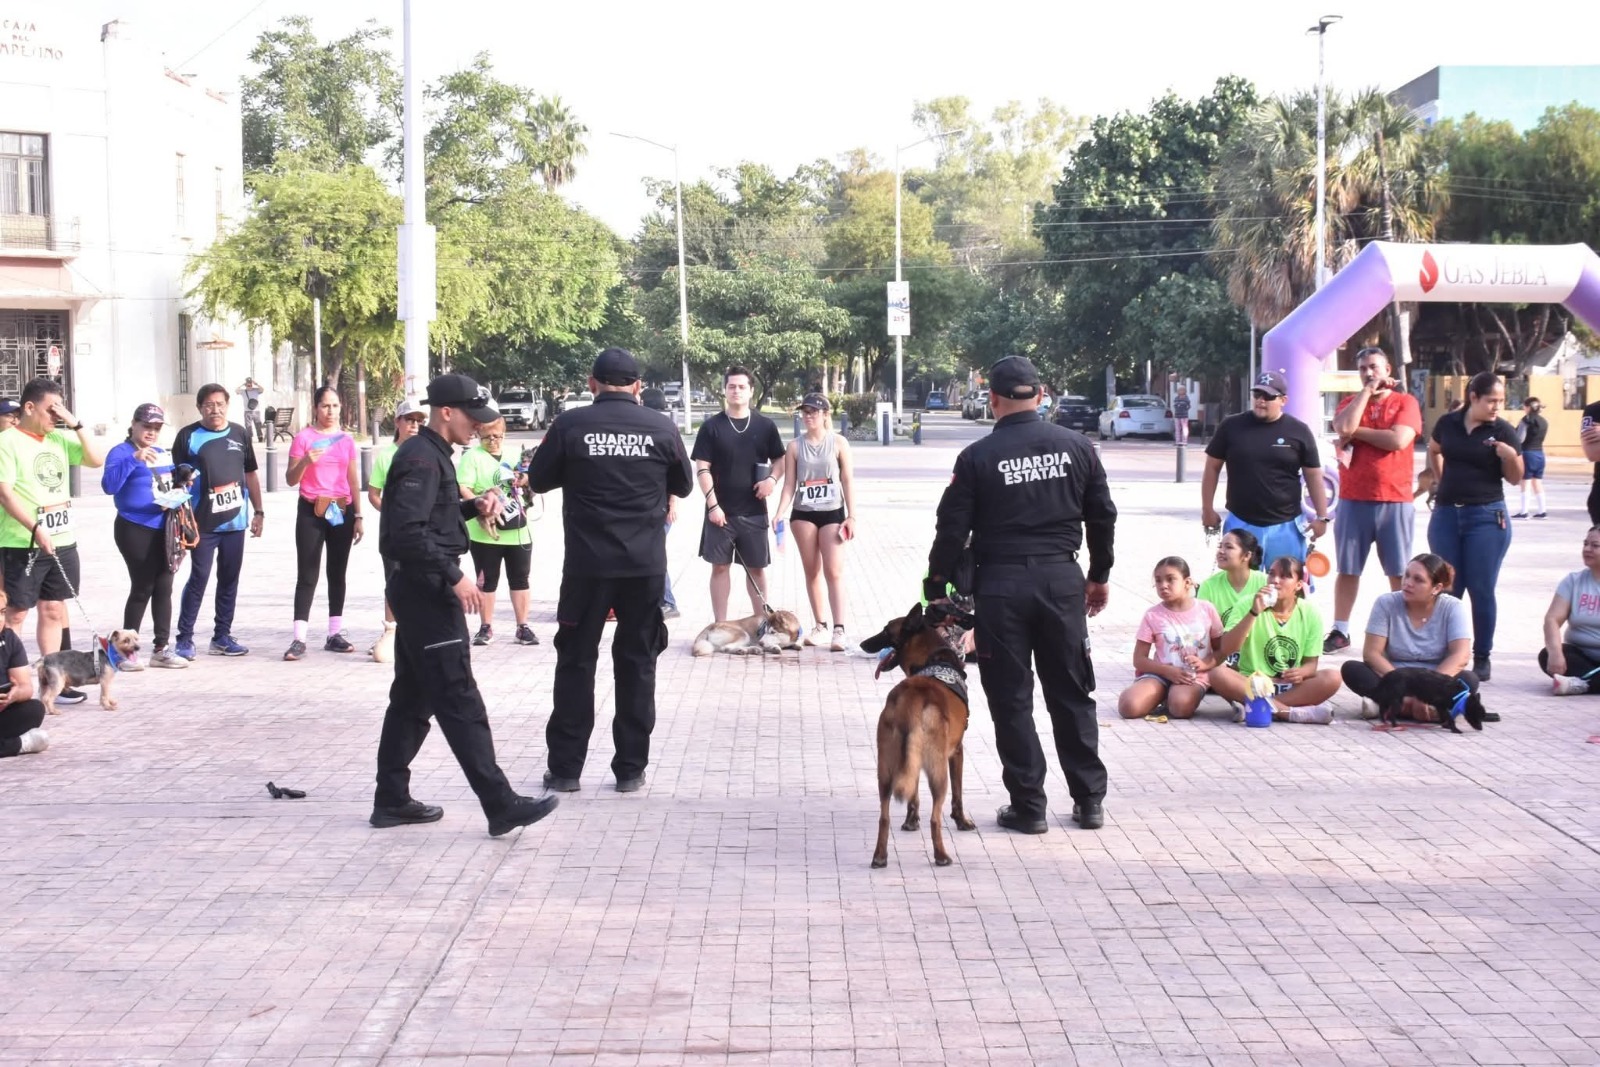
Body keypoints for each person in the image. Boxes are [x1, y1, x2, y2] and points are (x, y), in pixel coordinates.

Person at [925, 354, 1117, 833]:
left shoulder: (977, 458)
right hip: (1061, 581)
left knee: (1011, 698)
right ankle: (1089, 800)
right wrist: (1099, 574)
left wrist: (935, 586)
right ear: (1042, 392)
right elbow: (1102, 516)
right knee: (1071, 692)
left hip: (1001, 586)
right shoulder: (1078, 447)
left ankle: (1028, 806)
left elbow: (951, 529)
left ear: (992, 400)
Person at [372, 372, 559, 835]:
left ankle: (391, 799)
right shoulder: (420, 457)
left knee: (411, 700)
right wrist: (454, 576)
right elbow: (405, 533)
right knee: (458, 696)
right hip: (425, 592)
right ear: (446, 413)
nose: (477, 427)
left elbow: (427, 521)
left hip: (421, 587)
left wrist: (468, 508)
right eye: (471, 418)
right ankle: (500, 804)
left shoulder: (435, 454)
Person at [527, 348, 693, 793]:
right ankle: (630, 769)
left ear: (591, 382)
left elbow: (538, 480)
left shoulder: (570, 425)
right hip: (643, 567)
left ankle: (565, 770)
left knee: (576, 662)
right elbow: (683, 484)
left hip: (587, 567)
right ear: (638, 386)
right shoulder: (661, 427)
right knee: (637, 663)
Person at [0, 377, 107, 706]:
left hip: (63, 539)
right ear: (29, 408)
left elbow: (95, 459)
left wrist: (77, 424)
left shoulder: (60, 439)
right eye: (51, 411)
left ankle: (54, 679)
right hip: (23, 542)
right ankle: (9, 678)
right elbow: (4, 492)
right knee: (16, 612)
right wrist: (34, 528)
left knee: (53, 609)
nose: (56, 417)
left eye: (61, 412)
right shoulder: (8, 442)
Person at [1324, 346, 1423, 653]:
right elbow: (1342, 426)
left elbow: (1398, 439)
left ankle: (1401, 631)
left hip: (1395, 499)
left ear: (1388, 369)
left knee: (1397, 571)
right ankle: (1340, 629)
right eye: (1363, 368)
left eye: (1374, 367)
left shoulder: (1404, 402)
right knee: (1348, 569)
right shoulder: (1350, 402)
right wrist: (1366, 393)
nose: (1369, 372)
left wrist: (1359, 433)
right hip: (1354, 499)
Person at [1426, 371, 1522, 681]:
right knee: (1449, 588)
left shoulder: (1504, 431)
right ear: (1473, 398)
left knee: (1481, 588)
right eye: (1491, 401)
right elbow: (1434, 449)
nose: (1497, 407)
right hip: (1447, 515)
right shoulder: (1448, 423)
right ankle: (1450, 651)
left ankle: (1482, 656)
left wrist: (1509, 457)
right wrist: (1442, 483)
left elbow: (1516, 477)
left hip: (1486, 516)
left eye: (1500, 401)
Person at [1201, 370, 1329, 566]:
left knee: (1286, 587)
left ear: (1283, 400)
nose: (1261, 400)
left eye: (1268, 396)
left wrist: (1322, 517)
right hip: (1241, 521)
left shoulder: (1299, 431)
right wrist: (1207, 509)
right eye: (1257, 395)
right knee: (1238, 586)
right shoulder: (1231, 426)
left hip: (1286, 525)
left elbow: (1313, 476)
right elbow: (1212, 468)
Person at [173, 383, 264, 659]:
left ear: (227, 405)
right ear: (200, 407)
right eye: (209, 405)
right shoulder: (187, 436)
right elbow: (175, 478)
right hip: (202, 523)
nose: (215, 409)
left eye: (220, 404)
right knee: (199, 577)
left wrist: (259, 511)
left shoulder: (239, 432)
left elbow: (250, 474)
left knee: (229, 578)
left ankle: (222, 636)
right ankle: (185, 638)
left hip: (235, 522)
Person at [692, 365, 785, 622]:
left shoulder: (765, 426)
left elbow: (780, 460)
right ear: (724, 390)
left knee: (756, 570)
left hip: (754, 511)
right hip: (720, 512)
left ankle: (761, 624)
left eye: (742, 386)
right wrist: (713, 505)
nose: (736, 391)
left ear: (751, 391)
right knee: (719, 567)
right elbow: (702, 467)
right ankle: (720, 624)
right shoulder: (711, 427)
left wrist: (772, 480)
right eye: (731, 386)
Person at [1340, 553, 1482, 720]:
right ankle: (1431, 711)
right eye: (1406, 575)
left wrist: (1428, 690)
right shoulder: (1386, 603)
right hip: (1394, 678)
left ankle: (1389, 706)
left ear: (1436, 588)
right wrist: (1403, 687)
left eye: (1418, 580)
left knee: (1469, 679)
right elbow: (1372, 654)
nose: (1408, 583)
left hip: (1436, 680)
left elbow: (1461, 655)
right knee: (1352, 669)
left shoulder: (1453, 608)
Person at [101, 403, 186, 669]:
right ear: (134, 424)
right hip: (133, 526)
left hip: (163, 527)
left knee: (164, 586)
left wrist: (183, 480)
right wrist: (133, 459)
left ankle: (161, 648)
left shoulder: (161, 452)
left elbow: (166, 484)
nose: (151, 432)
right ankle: (123, 652)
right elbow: (109, 486)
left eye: (156, 428)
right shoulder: (121, 451)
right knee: (142, 585)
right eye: (146, 426)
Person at [1209, 555, 1340, 723]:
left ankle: (1258, 708)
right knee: (1217, 673)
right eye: (1271, 574)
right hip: (1253, 684)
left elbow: (1311, 664)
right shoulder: (1247, 603)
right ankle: (1290, 713)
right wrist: (1254, 612)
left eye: (1285, 576)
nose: (1275, 580)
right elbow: (1227, 648)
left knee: (1333, 677)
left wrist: (1301, 672)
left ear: (1298, 585)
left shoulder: (1310, 613)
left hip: (1289, 687)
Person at [284, 385, 362, 661]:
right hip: (311, 510)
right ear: (315, 408)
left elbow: (353, 480)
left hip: (340, 509)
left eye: (335, 406)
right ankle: (299, 638)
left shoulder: (346, 440)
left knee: (337, 572)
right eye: (325, 406)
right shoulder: (304, 438)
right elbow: (291, 479)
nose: (330, 411)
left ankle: (334, 633)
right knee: (307, 574)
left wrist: (359, 515)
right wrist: (306, 460)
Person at [775, 392, 858, 651]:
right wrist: (779, 511)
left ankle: (839, 629)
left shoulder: (839, 443)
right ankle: (820, 625)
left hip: (832, 512)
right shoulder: (794, 447)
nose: (809, 416)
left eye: (814, 411)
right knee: (812, 571)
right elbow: (789, 483)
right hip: (804, 513)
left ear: (825, 414)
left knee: (834, 571)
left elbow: (847, 480)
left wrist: (851, 515)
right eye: (805, 412)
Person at [458, 415, 538, 647]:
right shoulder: (472, 456)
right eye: (486, 437)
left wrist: (522, 480)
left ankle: (522, 626)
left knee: (520, 578)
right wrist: (480, 505)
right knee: (487, 580)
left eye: (497, 436)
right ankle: (486, 626)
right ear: (478, 436)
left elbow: (531, 477)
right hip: (485, 531)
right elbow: (464, 486)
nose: (492, 441)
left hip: (517, 529)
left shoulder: (514, 454)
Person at [1118, 557, 1222, 721]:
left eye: (1170, 579)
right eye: (1158, 581)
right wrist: (1168, 671)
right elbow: (1139, 659)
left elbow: (1220, 649)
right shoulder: (1153, 615)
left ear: (1187, 582)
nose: (1163, 585)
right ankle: (1158, 694)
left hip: (1193, 676)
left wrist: (1205, 664)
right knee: (1128, 707)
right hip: (1161, 674)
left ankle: (1172, 698)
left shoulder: (1206, 609)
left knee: (1180, 708)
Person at [367, 398, 424, 650]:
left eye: (417, 421)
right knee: (394, 581)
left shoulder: (425, 453)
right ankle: (391, 633)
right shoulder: (386, 456)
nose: (413, 426)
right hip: (393, 533)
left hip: (421, 532)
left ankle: (417, 633)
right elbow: (373, 493)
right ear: (397, 422)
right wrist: (391, 513)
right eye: (409, 420)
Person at [1540, 526, 1600, 695]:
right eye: (1585, 544)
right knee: (1546, 656)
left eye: (1595, 545)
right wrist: (1555, 653)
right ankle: (1589, 681)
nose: (1587, 549)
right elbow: (1552, 619)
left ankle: (1584, 684)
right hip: (1580, 655)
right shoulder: (1573, 581)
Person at [640, 388, 681, 619]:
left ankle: (667, 601)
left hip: (660, 507)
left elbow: (674, 474)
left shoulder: (661, 430)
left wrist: (672, 503)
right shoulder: (662, 428)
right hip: (655, 505)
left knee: (654, 554)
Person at [1196, 529, 1268, 643]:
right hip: (1222, 653)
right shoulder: (1209, 586)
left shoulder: (1265, 583)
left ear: (1246, 555)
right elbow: (1201, 630)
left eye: (1228, 547)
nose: (1221, 551)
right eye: (1220, 546)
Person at [0, 587, 48, 758]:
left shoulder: (9, 639)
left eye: (2, 612)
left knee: (33, 709)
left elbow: (26, 687)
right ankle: (19, 744)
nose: (0, 619)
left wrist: (14, 695)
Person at [1514, 396, 1548, 519]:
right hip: (1540, 454)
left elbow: (1520, 438)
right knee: (1537, 482)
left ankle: (1524, 512)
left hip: (1528, 453)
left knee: (1525, 481)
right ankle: (1542, 511)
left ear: (1528, 407)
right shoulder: (1544, 421)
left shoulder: (1526, 420)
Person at [239, 376, 265, 442]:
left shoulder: (256, 390)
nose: (249, 385)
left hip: (256, 411)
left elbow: (262, 389)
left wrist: (256, 384)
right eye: (248, 384)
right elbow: (236, 390)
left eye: (250, 384)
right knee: (248, 425)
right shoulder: (243, 391)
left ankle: (260, 437)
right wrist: (242, 384)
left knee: (258, 424)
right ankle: (250, 437)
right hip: (247, 411)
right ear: (246, 384)